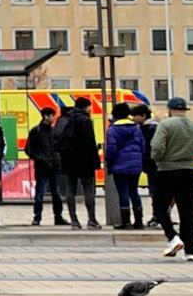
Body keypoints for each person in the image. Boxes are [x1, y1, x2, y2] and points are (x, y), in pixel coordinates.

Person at [152, 96, 193, 261]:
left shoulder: (165, 125)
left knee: (160, 207)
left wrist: (158, 159)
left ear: (169, 110)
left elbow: (157, 147)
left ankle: (173, 237)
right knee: (188, 212)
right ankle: (190, 250)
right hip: (189, 172)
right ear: (185, 110)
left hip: (167, 171)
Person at [54, 96, 101, 230]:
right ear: (86, 107)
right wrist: (95, 161)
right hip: (84, 160)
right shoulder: (85, 120)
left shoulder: (64, 119)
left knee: (70, 190)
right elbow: (90, 142)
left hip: (68, 159)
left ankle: (74, 221)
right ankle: (91, 220)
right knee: (88, 189)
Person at [104, 102, 146, 229]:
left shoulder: (112, 129)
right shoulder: (136, 128)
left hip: (120, 165)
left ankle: (126, 221)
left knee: (123, 192)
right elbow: (142, 146)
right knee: (134, 192)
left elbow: (111, 149)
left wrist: (109, 163)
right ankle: (139, 221)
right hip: (135, 165)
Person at [25, 106, 66, 226]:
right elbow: (28, 149)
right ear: (46, 116)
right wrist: (40, 158)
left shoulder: (54, 131)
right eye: (52, 115)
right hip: (42, 166)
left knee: (56, 192)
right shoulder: (36, 131)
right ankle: (37, 217)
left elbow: (59, 146)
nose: (54, 118)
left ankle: (58, 217)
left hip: (55, 165)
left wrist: (58, 158)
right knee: (40, 192)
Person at [130, 102, 157, 201]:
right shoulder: (147, 128)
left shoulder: (150, 128)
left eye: (135, 115)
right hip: (149, 163)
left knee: (154, 190)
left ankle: (158, 214)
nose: (133, 118)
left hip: (152, 163)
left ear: (144, 115)